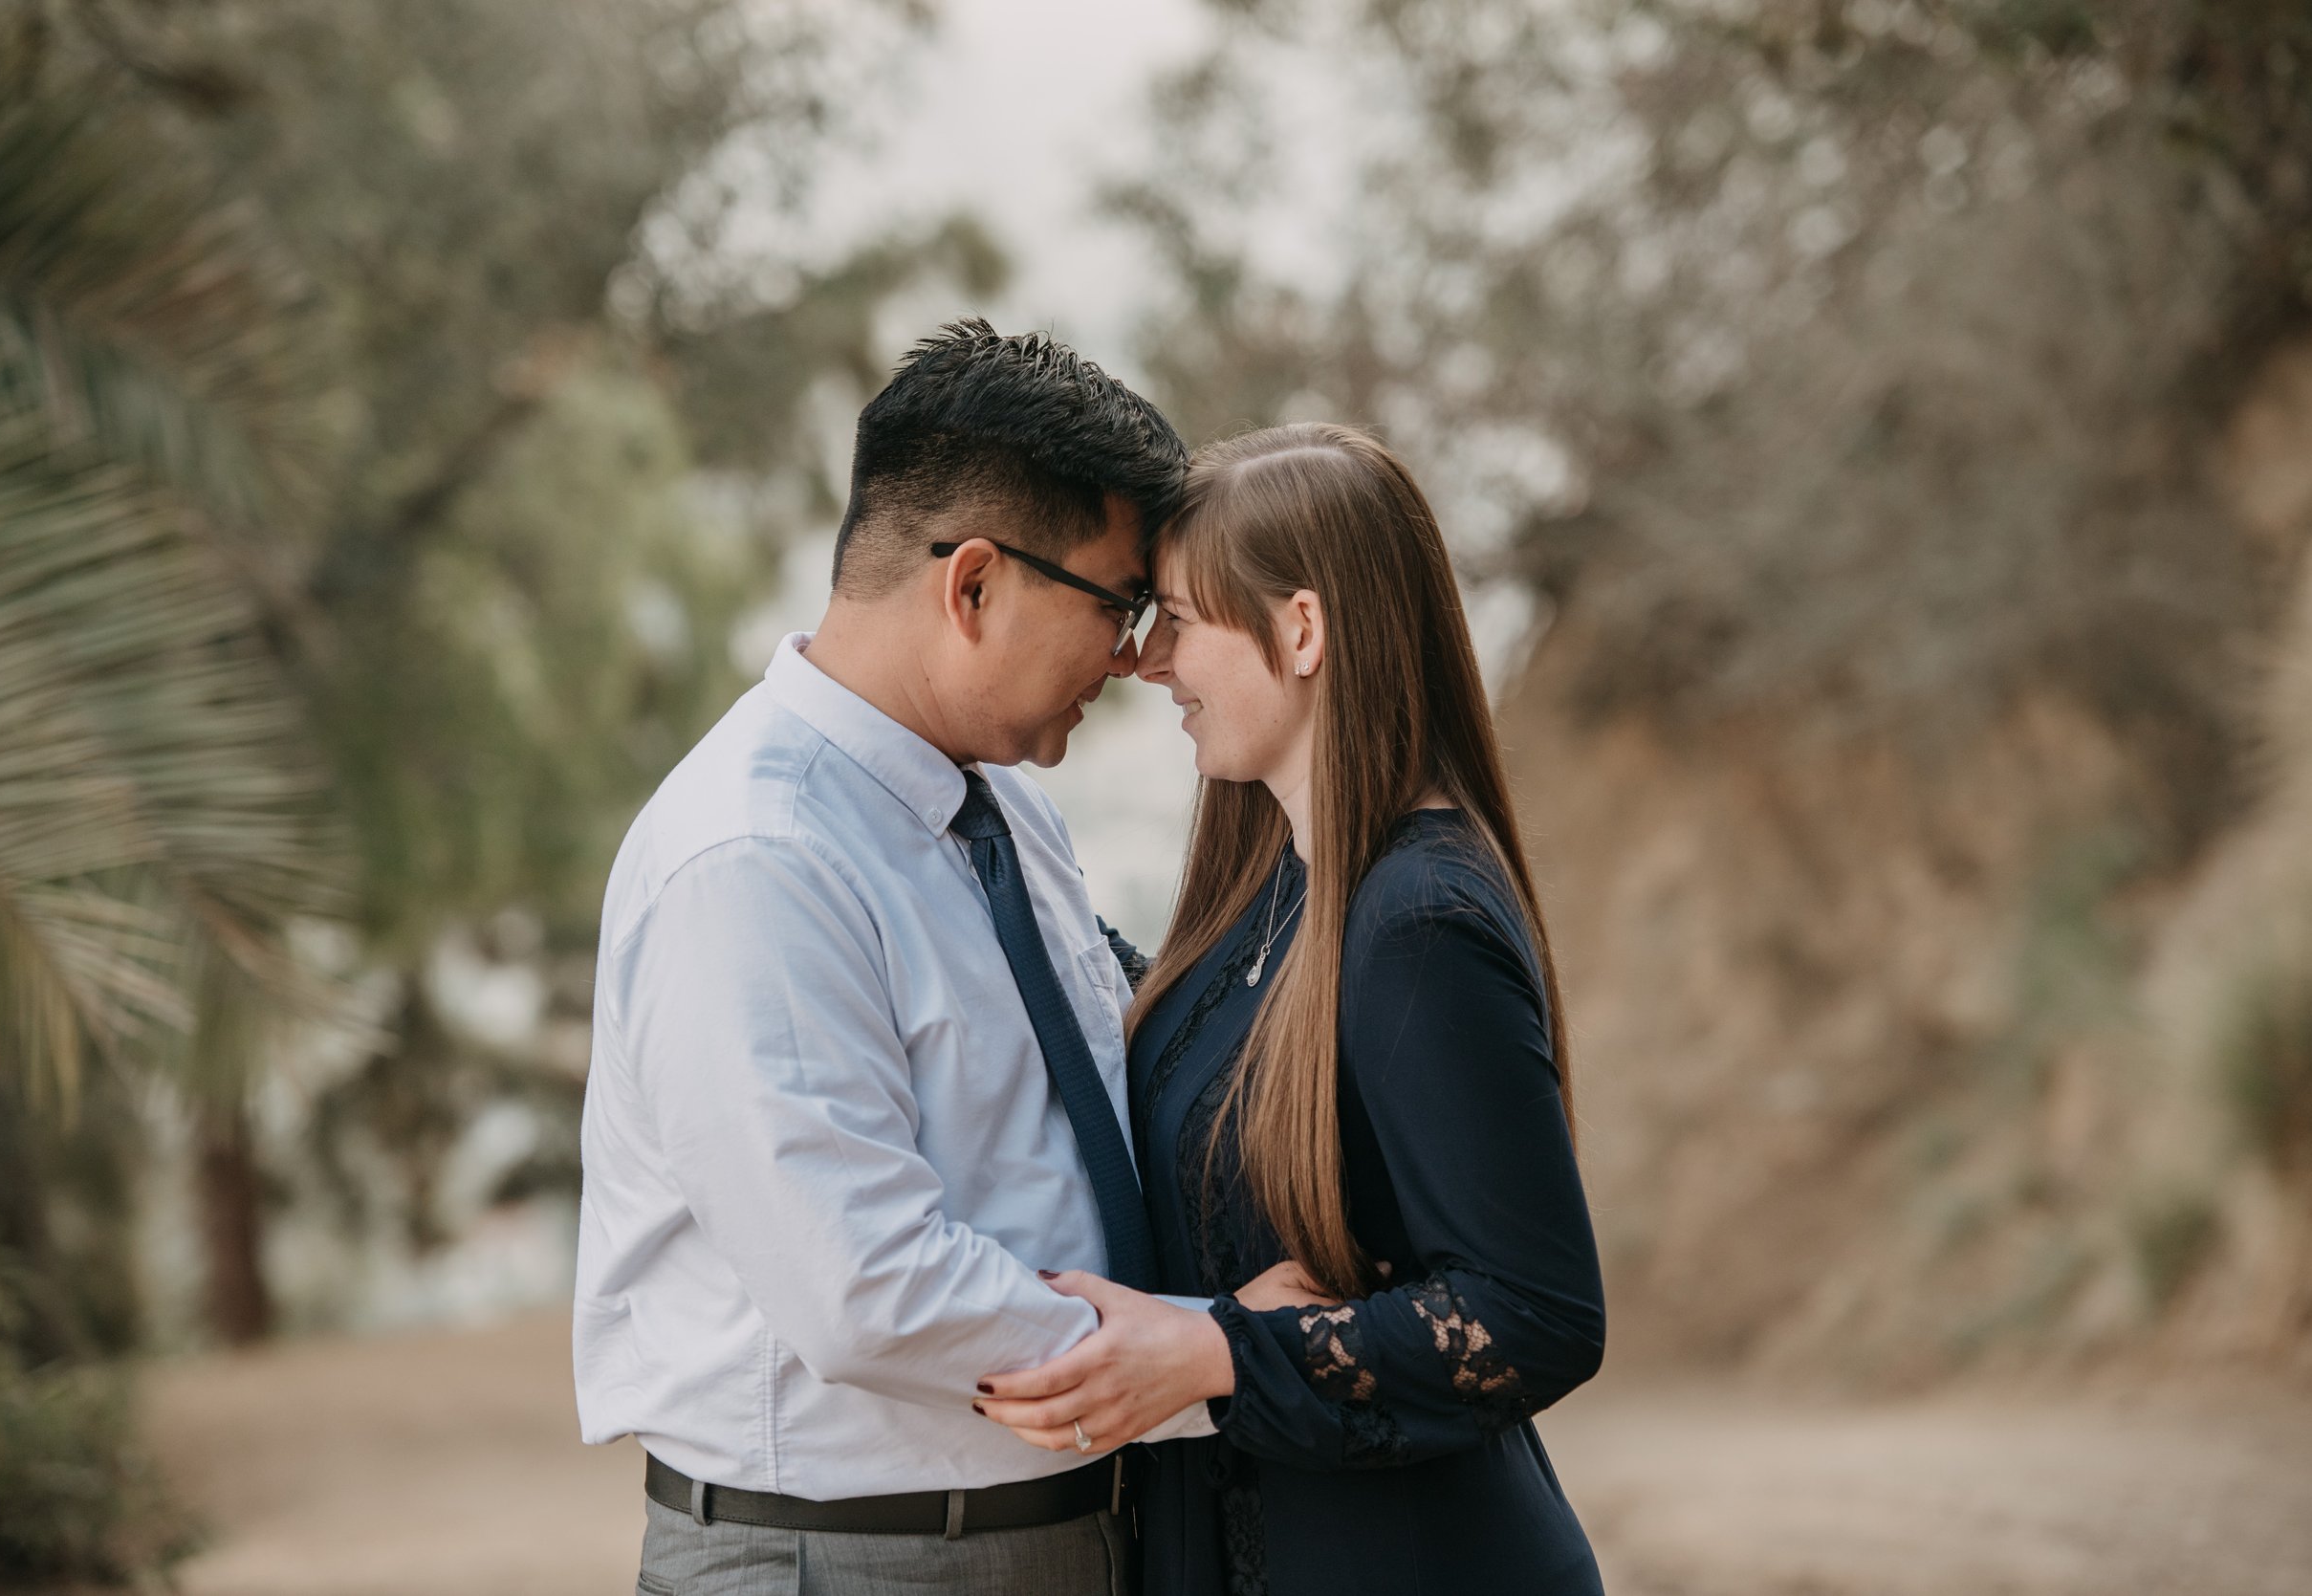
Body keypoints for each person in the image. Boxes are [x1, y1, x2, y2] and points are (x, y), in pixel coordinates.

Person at [574, 319, 1232, 1596]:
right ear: (974, 582)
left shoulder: (999, 808)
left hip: (1055, 1526)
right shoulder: (755, 857)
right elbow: (865, 1283)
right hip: (857, 1556)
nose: (1134, 655)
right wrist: (1210, 1355)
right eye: (1119, 601)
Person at [975, 423, 1607, 1594]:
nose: (1148, 660)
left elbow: (1534, 1313)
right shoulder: (1273, 895)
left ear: (1302, 629)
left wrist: (1216, 1346)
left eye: (1179, 616)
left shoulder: (1417, 923)